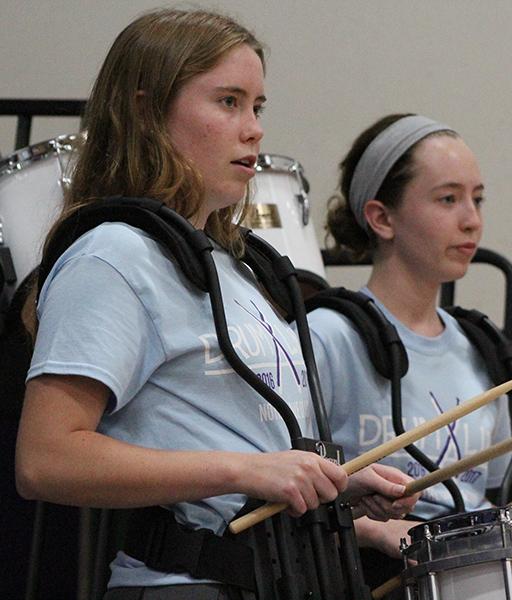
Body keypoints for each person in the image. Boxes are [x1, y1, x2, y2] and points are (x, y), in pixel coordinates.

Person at [14, 9, 416, 598]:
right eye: (228, 102)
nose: (253, 128)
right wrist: (247, 469)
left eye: (258, 107)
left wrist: (336, 490)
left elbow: (239, 479)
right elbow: (45, 460)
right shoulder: (113, 255)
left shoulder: (234, 266)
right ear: (147, 112)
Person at [308, 114, 512, 580]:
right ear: (382, 218)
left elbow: (490, 493)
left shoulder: (483, 350)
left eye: (477, 200)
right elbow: (282, 497)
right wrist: (372, 530)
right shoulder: (329, 337)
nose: (471, 220)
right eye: (448, 199)